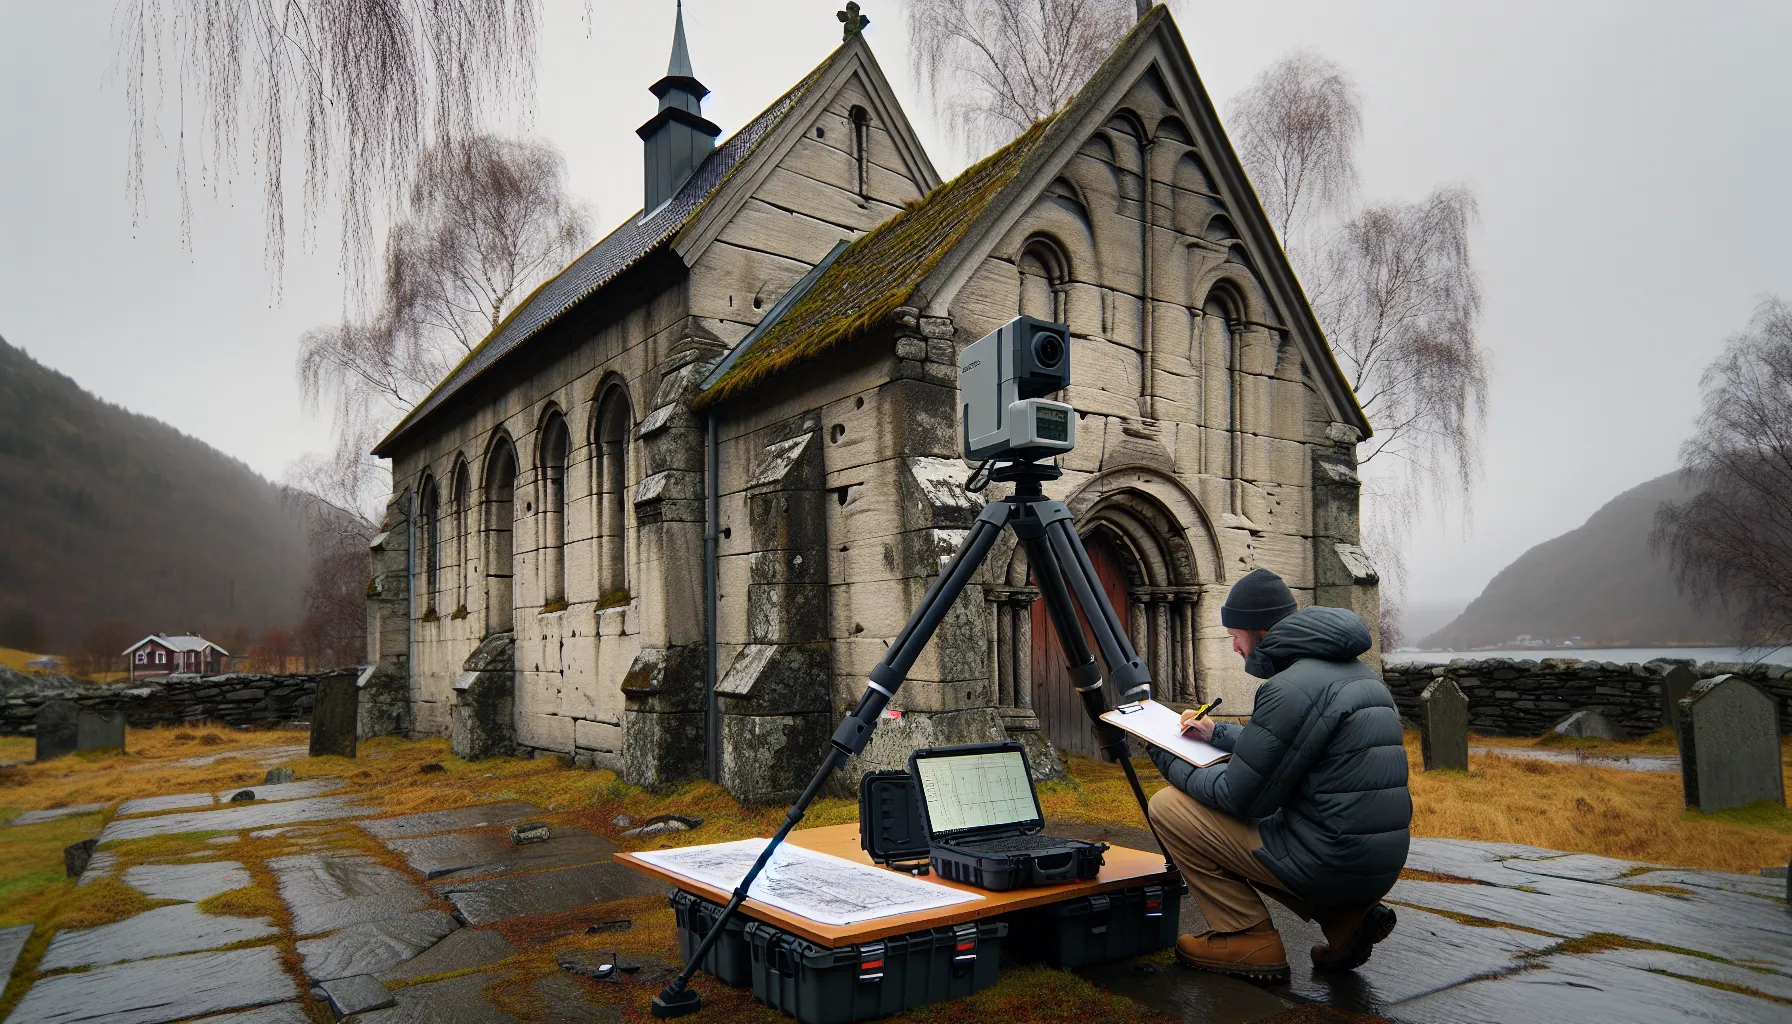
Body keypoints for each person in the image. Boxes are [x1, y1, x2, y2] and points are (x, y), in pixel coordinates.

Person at [1145, 567, 1411, 983]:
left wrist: (1165, 752)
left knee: (1170, 807)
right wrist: (1216, 734)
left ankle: (1246, 936)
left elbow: (1240, 799)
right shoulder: (1356, 673)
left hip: (1331, 863)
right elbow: (1293, 742)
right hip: (1377, 862)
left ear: (1262, 632)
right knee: (1279, 817)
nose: (1235, 647)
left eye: (1235, 635)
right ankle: (1343, 919)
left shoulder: (1290, 687)